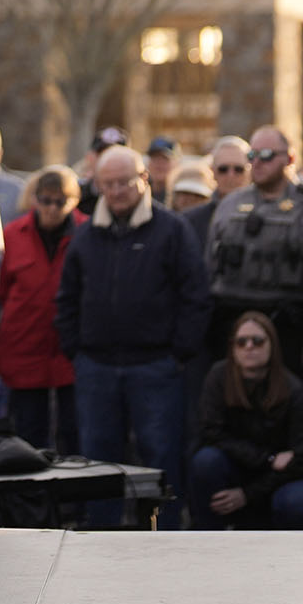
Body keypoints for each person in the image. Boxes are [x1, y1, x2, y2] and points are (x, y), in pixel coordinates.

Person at [55, 145, 210, 529]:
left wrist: (178, 354)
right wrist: (76, 350)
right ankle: (101, 539)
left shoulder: (173, 229)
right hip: (96, 367)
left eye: (124, 182)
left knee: (161, 456)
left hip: (155, 366)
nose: (116, 191)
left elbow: (195, 296)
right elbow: (66, 298)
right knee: (98, 461)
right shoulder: (85, 235)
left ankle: (166, 536)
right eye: (107, 184)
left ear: (143, 179)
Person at [204, 126, 303, 372]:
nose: (257, 163)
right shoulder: (229, 206)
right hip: (232, 327)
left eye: (267, 155)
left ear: (290, 159)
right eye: (252, 156)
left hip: (293, 331)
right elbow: (208, 269)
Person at [189, 311, 303, 530]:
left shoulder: (293, 388)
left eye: (258, 341)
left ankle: (295, 553)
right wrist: (267, 458)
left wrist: (248, 494)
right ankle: (207, 540)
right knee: (206, 462)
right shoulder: (218, 377)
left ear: (272, 345)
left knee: (301, 503)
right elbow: (211, 433)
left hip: (285, 479)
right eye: (241, 342)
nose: (249, 347)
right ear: (232, 347)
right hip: (242, 468)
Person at [0, 166, 82, 454]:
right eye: (46, 200)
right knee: (30, 432)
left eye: (60, 202)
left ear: (73, 202)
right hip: (25, 345)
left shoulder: (86, 234)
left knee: (73, 431)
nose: (52, 209)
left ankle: (74, 498)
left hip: (70, 348)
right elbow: (3, 289)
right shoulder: (14, 234)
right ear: (35, 199)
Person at [145, 136, 178, 203]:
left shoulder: (181, 194)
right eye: (154, 158)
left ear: (176, 163)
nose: (159, 164)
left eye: (164, 159)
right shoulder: (140, 191)